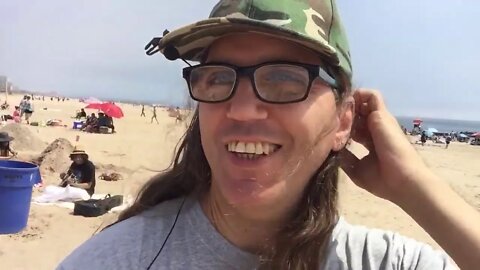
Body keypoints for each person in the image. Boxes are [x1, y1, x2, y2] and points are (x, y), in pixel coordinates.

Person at [59, 1, 480, 269]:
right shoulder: (121, 259)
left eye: (284, 80)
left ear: (343, 122)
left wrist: (415, 187)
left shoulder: (378, 262)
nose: (241, 110)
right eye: (218, 78)